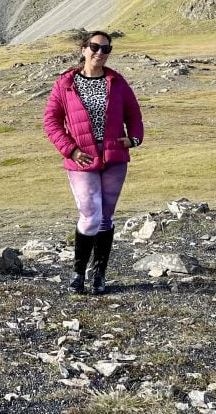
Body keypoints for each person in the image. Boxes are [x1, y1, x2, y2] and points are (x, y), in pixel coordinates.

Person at [44, 30, 144, 294]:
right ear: (83, 49)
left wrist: (134, 139)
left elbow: (134, 114)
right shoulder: (65, 84)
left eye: (106, 49)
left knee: (106, 219)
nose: (100, 52)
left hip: (114, 158)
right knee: (90, 216)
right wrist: (71, 150)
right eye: (95, 46)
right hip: (82, 159)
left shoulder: (117, 82)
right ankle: (78, 273)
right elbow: (51, 122)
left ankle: (99, 274)